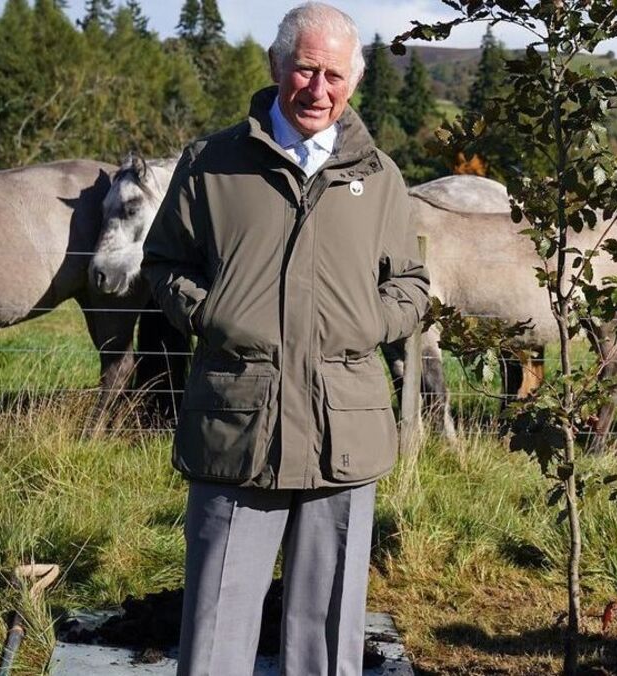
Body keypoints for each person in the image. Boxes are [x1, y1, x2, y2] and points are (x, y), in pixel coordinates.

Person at [140, 3, 429, 674]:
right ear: (276, 68)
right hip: (238, 425)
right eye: (304, 69)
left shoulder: (380, 177)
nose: (317, 90)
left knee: (327, 639)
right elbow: (163, 263)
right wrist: (212, 315)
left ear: (352, 82)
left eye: (333, 75)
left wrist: (368, 324)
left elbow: (411, 283)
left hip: (344, 431)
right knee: (214, 631)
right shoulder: (211, 163)